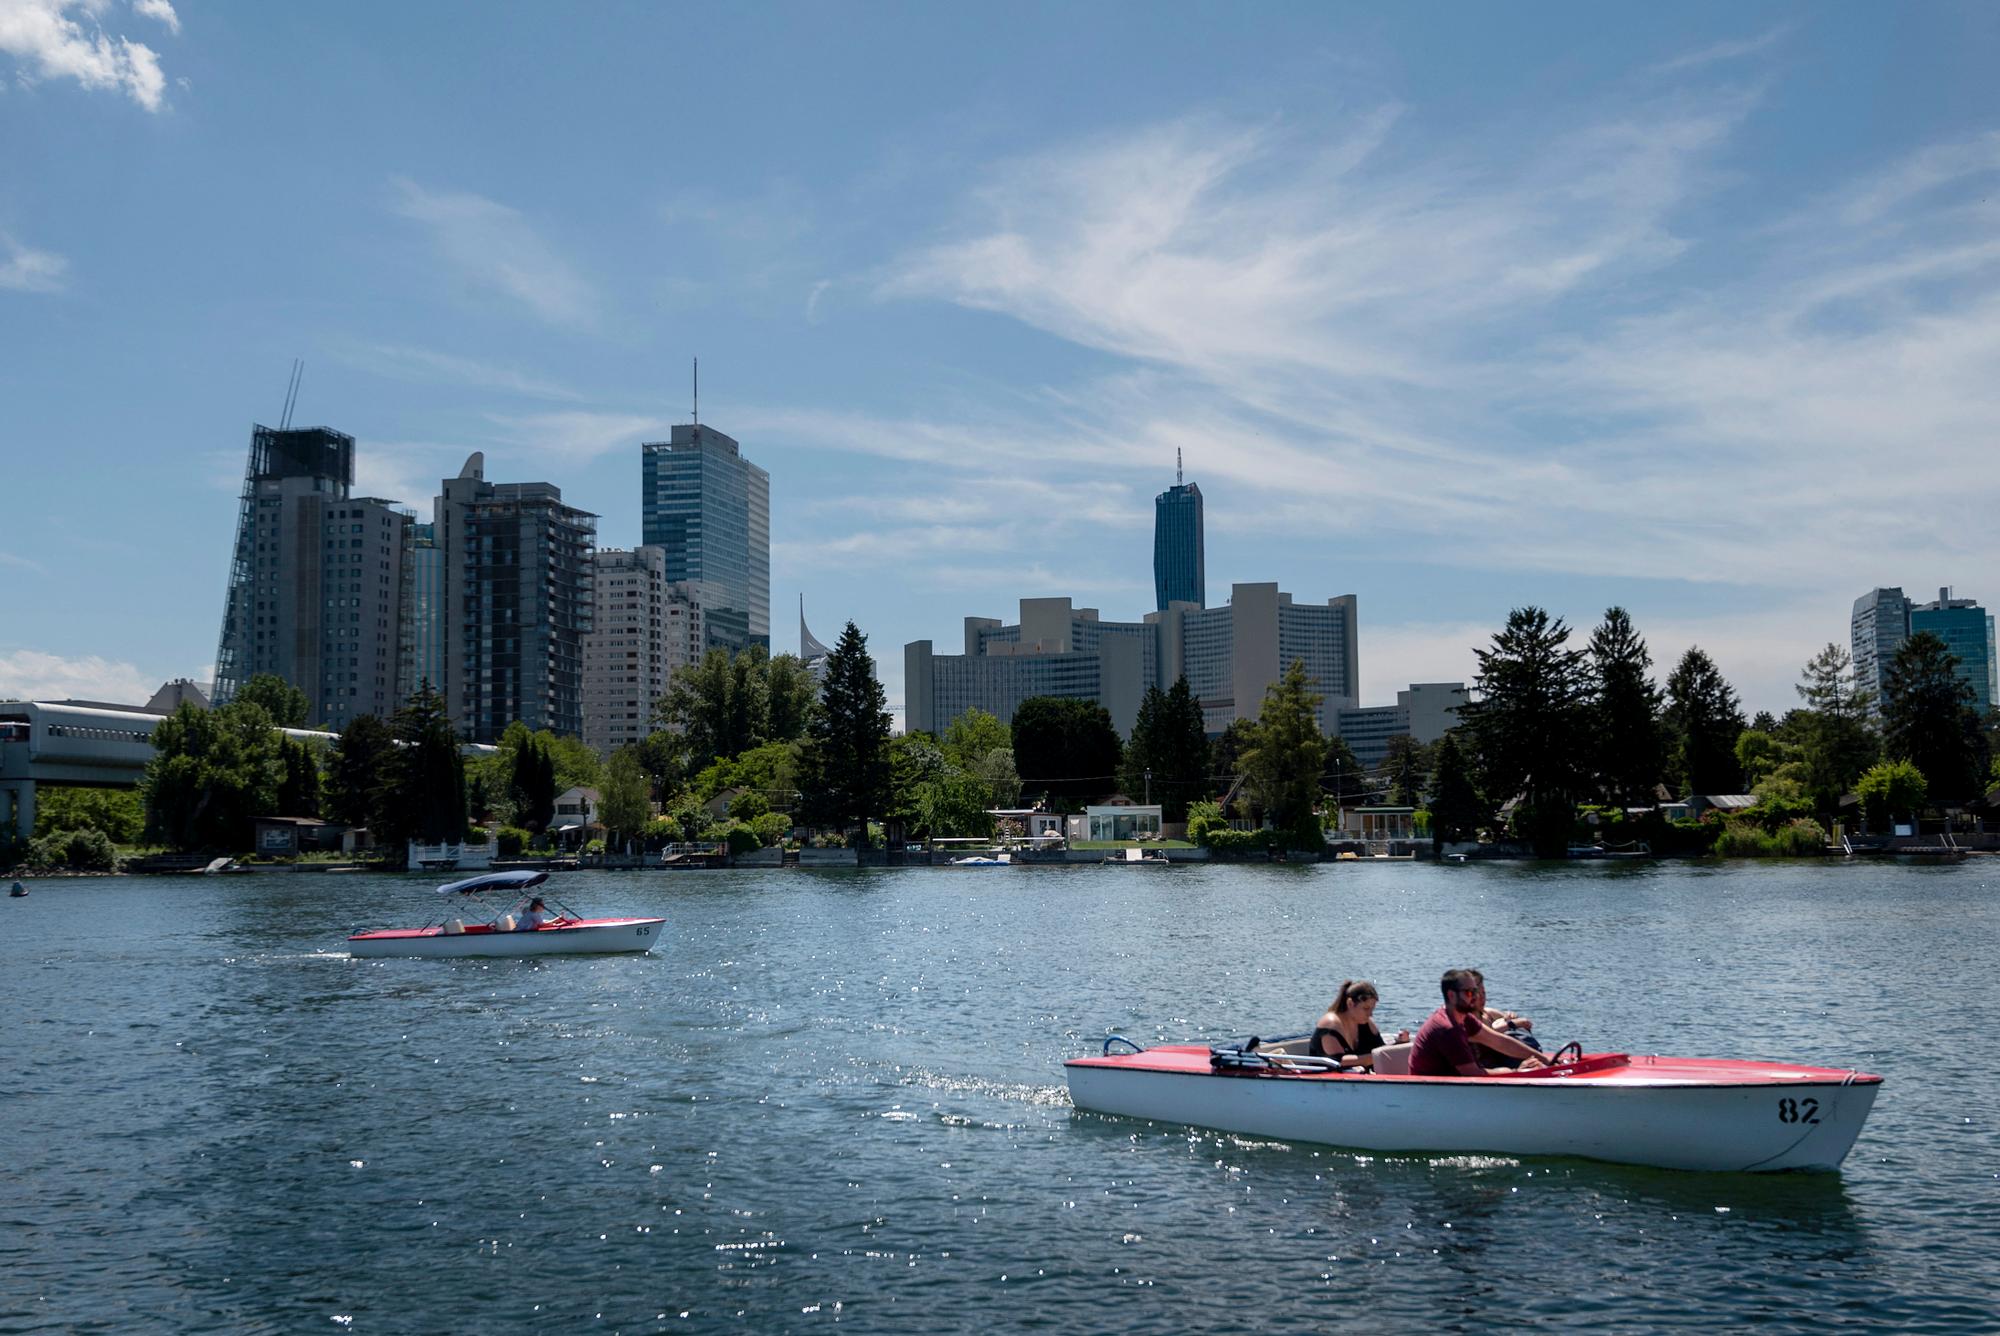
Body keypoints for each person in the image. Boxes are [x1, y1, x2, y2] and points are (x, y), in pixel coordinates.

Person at [1409, 969, 1547, 1077]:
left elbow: (1499, 1042)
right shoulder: (1447, 1029)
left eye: (1476, 991)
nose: (1476, 996)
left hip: (1455, 1088)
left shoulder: (1463, 1018)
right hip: (1433, 1091)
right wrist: (1517, 1071)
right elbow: (1472, 1073)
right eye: (1469, 993)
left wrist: (1545, 1060)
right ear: (1451, 995)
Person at [1311, 980, 1411, 1069]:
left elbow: (1380, 1049)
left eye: (1372, 1009)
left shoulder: (1366, 1022)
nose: (1370, 1014)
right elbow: (1338, 1061)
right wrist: (1373, 1058)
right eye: (1366, 1008)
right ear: (1350, 1004)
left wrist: (1399, 1044)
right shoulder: (1330, 1023)